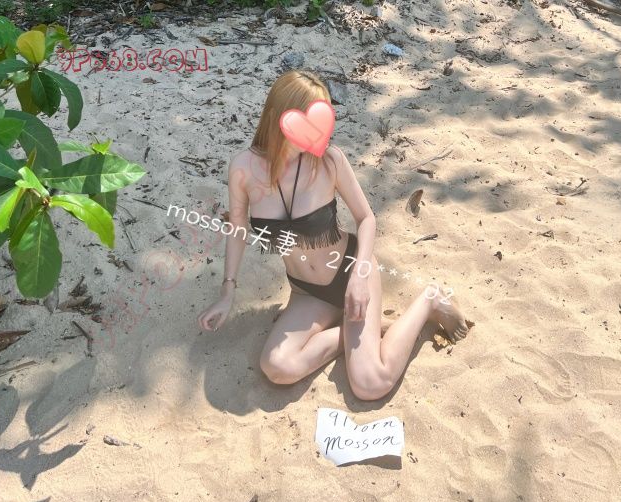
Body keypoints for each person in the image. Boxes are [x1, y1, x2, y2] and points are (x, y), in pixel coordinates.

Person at [197, 70, 470, 401]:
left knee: (370, 384)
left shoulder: (329, 160)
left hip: (351, 272)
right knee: (277, 367)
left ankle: (429, 300)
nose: (319, 134)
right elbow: (238, 227)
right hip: (307, 292)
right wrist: (227, 293)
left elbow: (366, 218)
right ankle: (365, 332)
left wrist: (360, 277)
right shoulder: (243, 168)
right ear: (280, 117)